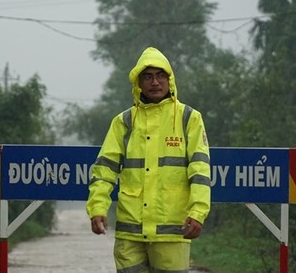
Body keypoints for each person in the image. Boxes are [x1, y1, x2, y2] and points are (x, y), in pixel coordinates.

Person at [86, 46, 211, 273]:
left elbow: (200, 170)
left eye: (160, 75)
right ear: (139, 83)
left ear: (169, 80)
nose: (155, 82)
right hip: (130, 233)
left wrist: (198, 212)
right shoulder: (123, 121)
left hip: (173, 232)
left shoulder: (188, 118)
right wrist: (97, 208)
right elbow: (104, 170)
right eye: (148, 76)